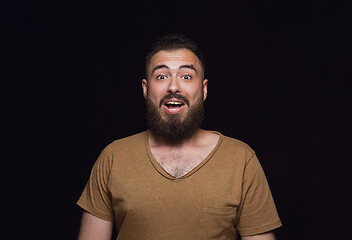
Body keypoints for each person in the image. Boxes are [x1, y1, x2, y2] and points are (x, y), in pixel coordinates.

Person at [77, 34, 282, 240]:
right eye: (161, 76)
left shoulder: (241, 160)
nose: (173, 87)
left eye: (186, 76)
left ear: (204, 89)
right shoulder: (113, 158)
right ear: (145, 89)